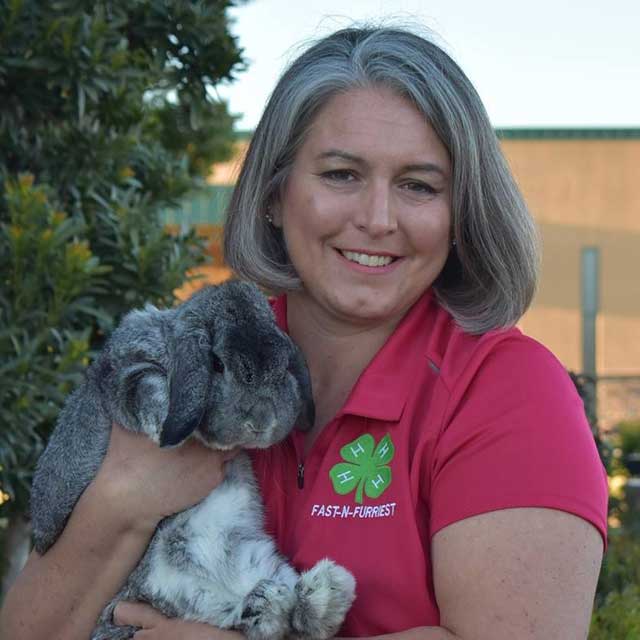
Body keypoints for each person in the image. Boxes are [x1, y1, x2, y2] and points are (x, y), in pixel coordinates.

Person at [0, 25, 607, 640]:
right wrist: (124, 499)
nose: (376, 219)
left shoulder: (505, 390)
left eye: (419, 186)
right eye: (341, 174)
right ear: (273, 193)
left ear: (460, 215)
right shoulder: (189, 358)